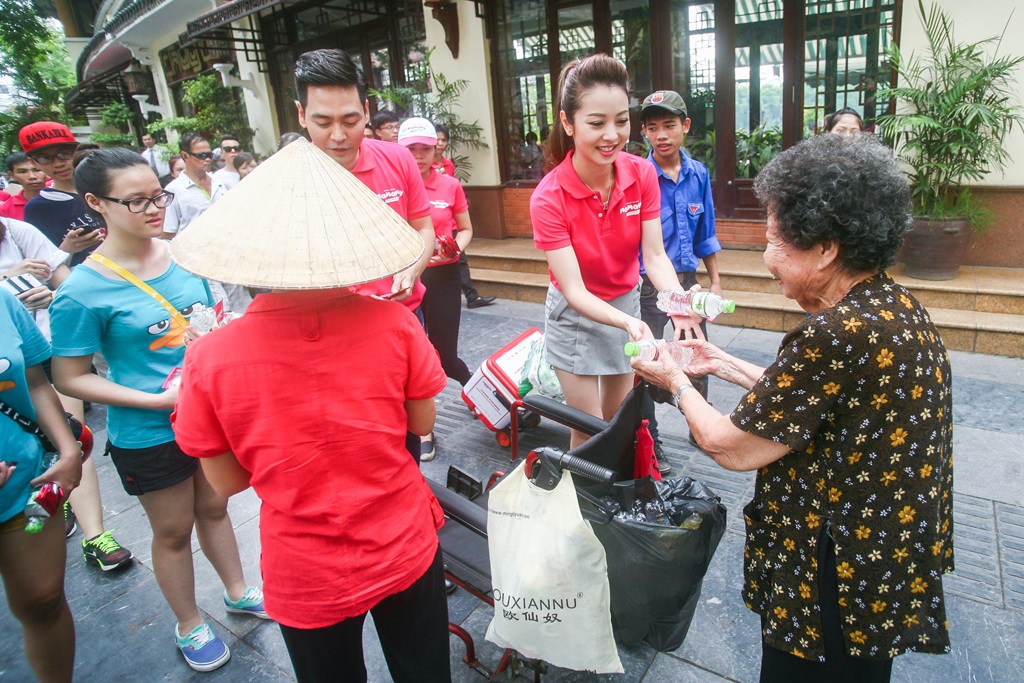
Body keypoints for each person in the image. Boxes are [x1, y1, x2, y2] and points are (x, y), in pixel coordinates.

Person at [632, 134, 953, 683]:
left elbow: (729, 447)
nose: (765, 259)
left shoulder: (833, 334)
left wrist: (675, 380)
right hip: (880, 553)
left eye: (776, 240)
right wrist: (720, 362)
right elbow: (821, 403)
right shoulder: (890, 306)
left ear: (826, 248)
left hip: (836, 564)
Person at [169, 137, 451, 683]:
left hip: (304, 567)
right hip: (401, 540)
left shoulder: (209, 357)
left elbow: (226, 480)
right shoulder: (395, 325)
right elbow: (421, 424)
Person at [49, 148, 267, 672]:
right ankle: (190, 623)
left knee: (216, 508)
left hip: (207, 417)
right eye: (138, 201)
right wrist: (156, 399)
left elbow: (207, 324)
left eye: (159, 196)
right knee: (172, 532)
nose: (155, 209)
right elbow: (70, 377)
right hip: (148, 429)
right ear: (96, 203)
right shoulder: (82, 290)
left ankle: (238, 590)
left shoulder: (186, 255)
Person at [531, 54, 689, 449]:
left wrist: (678, 302)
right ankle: (583, 506)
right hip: (576, 314)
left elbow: (654, 256)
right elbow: (574, 290)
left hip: (625, 302)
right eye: (596, 123)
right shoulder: (548, 198)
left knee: (620, 421)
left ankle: (613, 503)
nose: (612, 135)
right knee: (586, 428)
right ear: (568, 123)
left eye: (621, 121)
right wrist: (626, 323)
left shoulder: (642, 173)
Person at [293, 48, 435, 462]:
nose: (338, 135)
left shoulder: (397, 159)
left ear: (366, 110)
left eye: (351, 120)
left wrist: (412, 268)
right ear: (301, 114)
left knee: (411, 431)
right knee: (355, 444)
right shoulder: (290, 180)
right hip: (333, 334)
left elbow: (422, 227)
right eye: (323, 122)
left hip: (404, 318)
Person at [0, 287, 83, 683]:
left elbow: (34, 379)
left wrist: (67, 449)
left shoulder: (2, 298)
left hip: (28, 487)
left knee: (43, 600)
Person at [638, 89, 722, 469]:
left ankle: (699, 425)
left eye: (669, 125)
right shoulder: (638, 176)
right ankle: (650, 439)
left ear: (685, 127)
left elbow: (706, 232)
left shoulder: (699, 174)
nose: (661, 135)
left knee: (696, 352)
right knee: (650, 361)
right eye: (652, 128)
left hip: (689, 283)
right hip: (648, 287)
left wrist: (715, 280)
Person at [398, 117, 474, 461]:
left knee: (443, 354)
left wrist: (458, 246)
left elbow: (466, 228)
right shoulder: (391, 189)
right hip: (404, 283)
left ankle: (477, 389)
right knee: (414, 359)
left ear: (436, 149)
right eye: (410, 149)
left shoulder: (450, 186)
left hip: (442, 279)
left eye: (424, 148)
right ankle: (423, 430)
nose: (418, 156)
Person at [20, 122, 105, 267]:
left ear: (76, 151)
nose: (58, 163)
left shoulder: (105, 186)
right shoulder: (38, 208)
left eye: (64, 154)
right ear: (32, 161)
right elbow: (42, 267)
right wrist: (67, 249)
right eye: (45, 158)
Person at [0, 153, 48, 221]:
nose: (32, 176)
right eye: (23, 172)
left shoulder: (62, 198)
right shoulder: (5, 210)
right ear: (12, 175)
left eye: (37, 170)